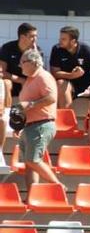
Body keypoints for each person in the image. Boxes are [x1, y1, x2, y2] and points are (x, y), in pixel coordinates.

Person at [17, 48, 63, 192]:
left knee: (33, 160)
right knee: (29, 165)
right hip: (30, 125)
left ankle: (58, 186)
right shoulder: (30, 79)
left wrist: (30, 105)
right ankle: (32, 196)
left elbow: (51, 98)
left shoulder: (43, 77)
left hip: (41, 124)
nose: (19, 65)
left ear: (33, 62)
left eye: (22, 62)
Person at [49, 25, 90, 109]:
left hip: (86, 84)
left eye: (63, 39)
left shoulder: (85, 49)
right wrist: (72, 75)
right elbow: (54, 72)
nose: (59, 41)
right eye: (60, 38)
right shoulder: (57, 49)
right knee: (60, 83)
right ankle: (66, 118)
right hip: (69, 84)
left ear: (73, 41)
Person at [0, 22, 41, 96]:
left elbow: (39, 73)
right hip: (12, 81)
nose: (35, 39)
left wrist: (35, 54)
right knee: (6, 83)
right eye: (32, 36)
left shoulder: (37, 50)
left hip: (29, 84)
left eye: (36, 36)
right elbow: (2, 72)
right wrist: (21, 80)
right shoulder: (7, 48)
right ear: (22, 37)